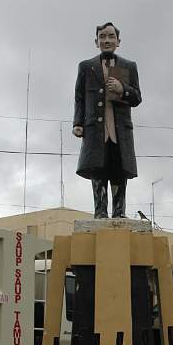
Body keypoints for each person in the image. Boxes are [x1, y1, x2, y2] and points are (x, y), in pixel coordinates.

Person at [73, 22, 142, 218]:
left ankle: (119, 212)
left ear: (118, 41)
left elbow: (137, 97)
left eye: (111, 36)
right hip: (96, 130)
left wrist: (123, 89)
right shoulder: (86, 66)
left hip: (120, 131)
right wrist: (78, 123)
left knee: (119, 169)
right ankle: (100, 212)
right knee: (98, 169)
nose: (107, 40)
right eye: (102, 37)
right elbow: (79, 97)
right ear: (96, 41)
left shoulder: (129, 66)